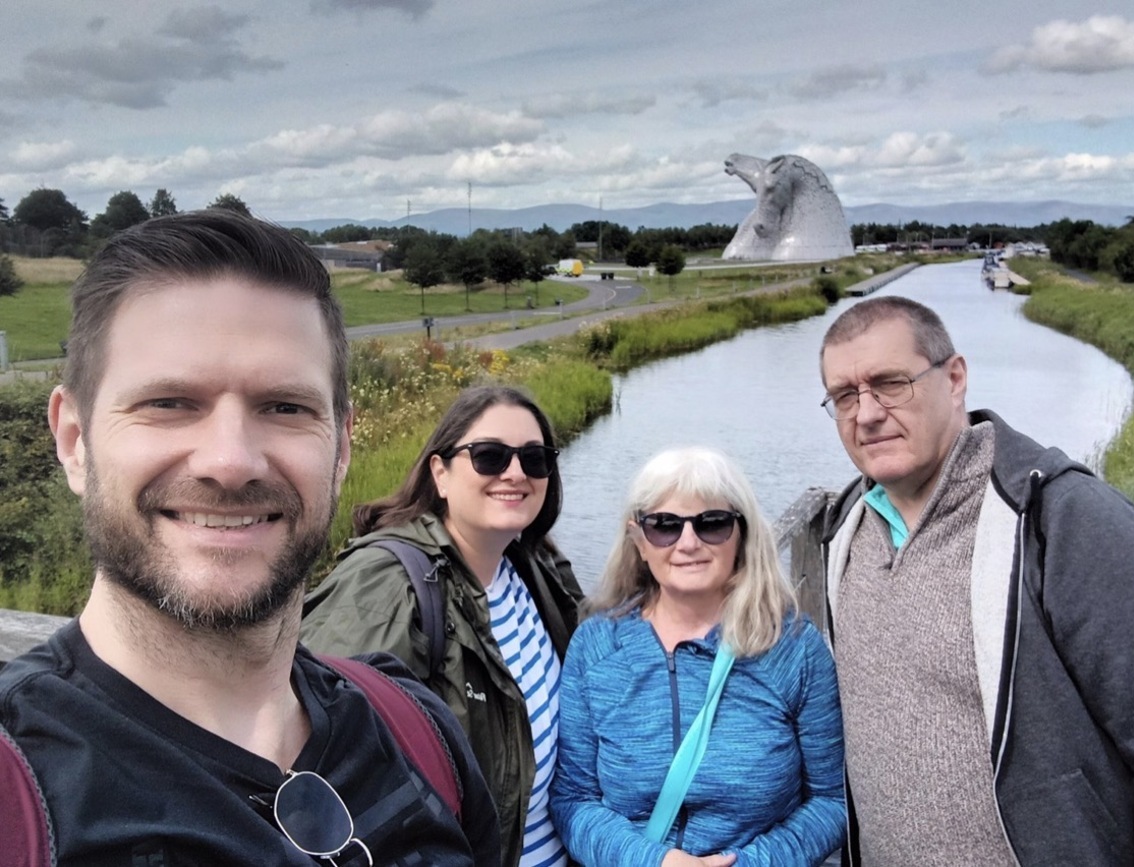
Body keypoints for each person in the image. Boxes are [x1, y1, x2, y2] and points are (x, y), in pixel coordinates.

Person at [0, 210, 500, 866]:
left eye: (285, 407)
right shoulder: (18, 801)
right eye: (169, 403)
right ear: (74, 440)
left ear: (342, 447)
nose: (231, 462)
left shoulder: (417, 731)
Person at [817, 294, 1134, 865]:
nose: (866, 413)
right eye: (845, 395)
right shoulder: (848, 528)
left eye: (891, 384)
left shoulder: (1065, 521)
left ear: (955, 378)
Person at [302, 384, 585, 867]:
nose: (516, 473)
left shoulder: (533, 567)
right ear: (441, 473)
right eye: (490, 456)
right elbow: (325, 780)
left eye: (534, 458)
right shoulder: (385, 589)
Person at [550, 446, 845, 867]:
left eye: (713, 523)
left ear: (742, 535)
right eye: (664, 526)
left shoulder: (795, 648)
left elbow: (831, 799)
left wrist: (750, 863)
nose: (688, 543)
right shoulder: (596, 647)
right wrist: (654, 861)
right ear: (639, 541)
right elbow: (573, 798)